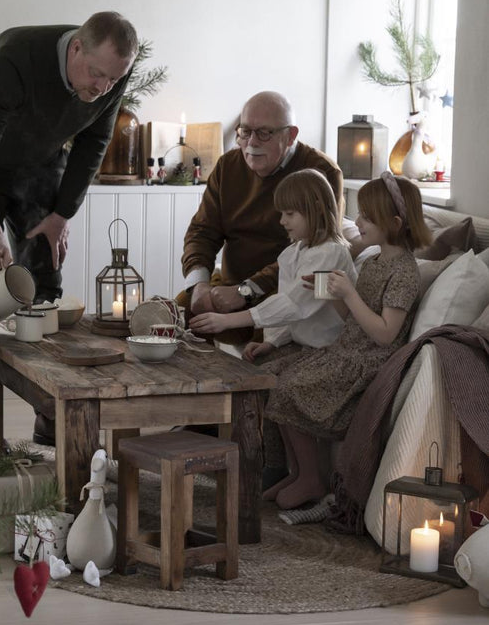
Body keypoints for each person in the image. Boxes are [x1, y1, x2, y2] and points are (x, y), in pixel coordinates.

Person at [258, 171, 431, 510]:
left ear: (394, 222)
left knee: (291, 386)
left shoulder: (405, 272)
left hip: (367, 359)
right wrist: (329, 292)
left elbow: (385, 334)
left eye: (366, 216)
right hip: (346, 348)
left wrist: (348, 294)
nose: (358, 221)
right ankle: (297, 472)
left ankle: (311, 477)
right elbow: (350, 319)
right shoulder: (376, 261)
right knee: (273, 378)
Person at [0, 12, 138, 303]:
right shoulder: (15, 58)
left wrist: (61, 215)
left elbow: (94, 142)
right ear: (76, 48)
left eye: (113, 79)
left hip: (40, 157)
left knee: (44, 270)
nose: (102, 88)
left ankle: (40, 340)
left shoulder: (111, 70)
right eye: (96, 73)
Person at [180, 92, 343, 339]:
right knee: (169, 320)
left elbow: (315, 249)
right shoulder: (228, 166)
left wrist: (246, 291)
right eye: (245, 131)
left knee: (261, 353)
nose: (251, 142)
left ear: (290, 136)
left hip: (281, 294)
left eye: (264, 133)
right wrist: (198, 285)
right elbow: (202, 231)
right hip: (227, 287)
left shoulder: (321, 172)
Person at [188, 169, 356, 354]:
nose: (282, 221)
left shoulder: (330, 254)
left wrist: (227, 321)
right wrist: (272, 342)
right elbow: (289, 305)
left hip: (329, 350)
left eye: (290, 214)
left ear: (315, 208)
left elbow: (292, 304)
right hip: (302, 347)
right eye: (282, 214)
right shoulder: (294, 252)